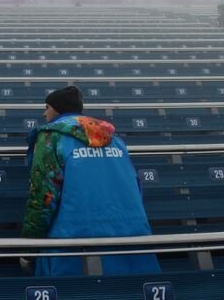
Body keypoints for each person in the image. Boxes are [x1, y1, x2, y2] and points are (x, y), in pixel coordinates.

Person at [21, 85, 160, 277]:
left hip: (73, 245)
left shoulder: (50, 139)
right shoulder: (114, 140)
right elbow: (136, 187)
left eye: (47, 107)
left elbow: (43, 197)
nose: (44, 114)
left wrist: (29, 247)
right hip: (130, 238)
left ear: (58, 109)